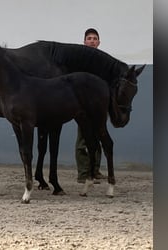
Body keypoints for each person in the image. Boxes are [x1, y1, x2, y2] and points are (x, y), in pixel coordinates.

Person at [76, 28, 106, 183]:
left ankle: (95, 171)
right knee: (83, 139)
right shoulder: (80, 60)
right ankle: (83, 174)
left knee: (99, 136)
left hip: (99, 105)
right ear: (84, 42)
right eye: (89, 38)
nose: (92, 40)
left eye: (95, 38)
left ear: (99, 42)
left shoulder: (104, 61)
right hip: (83, 105)